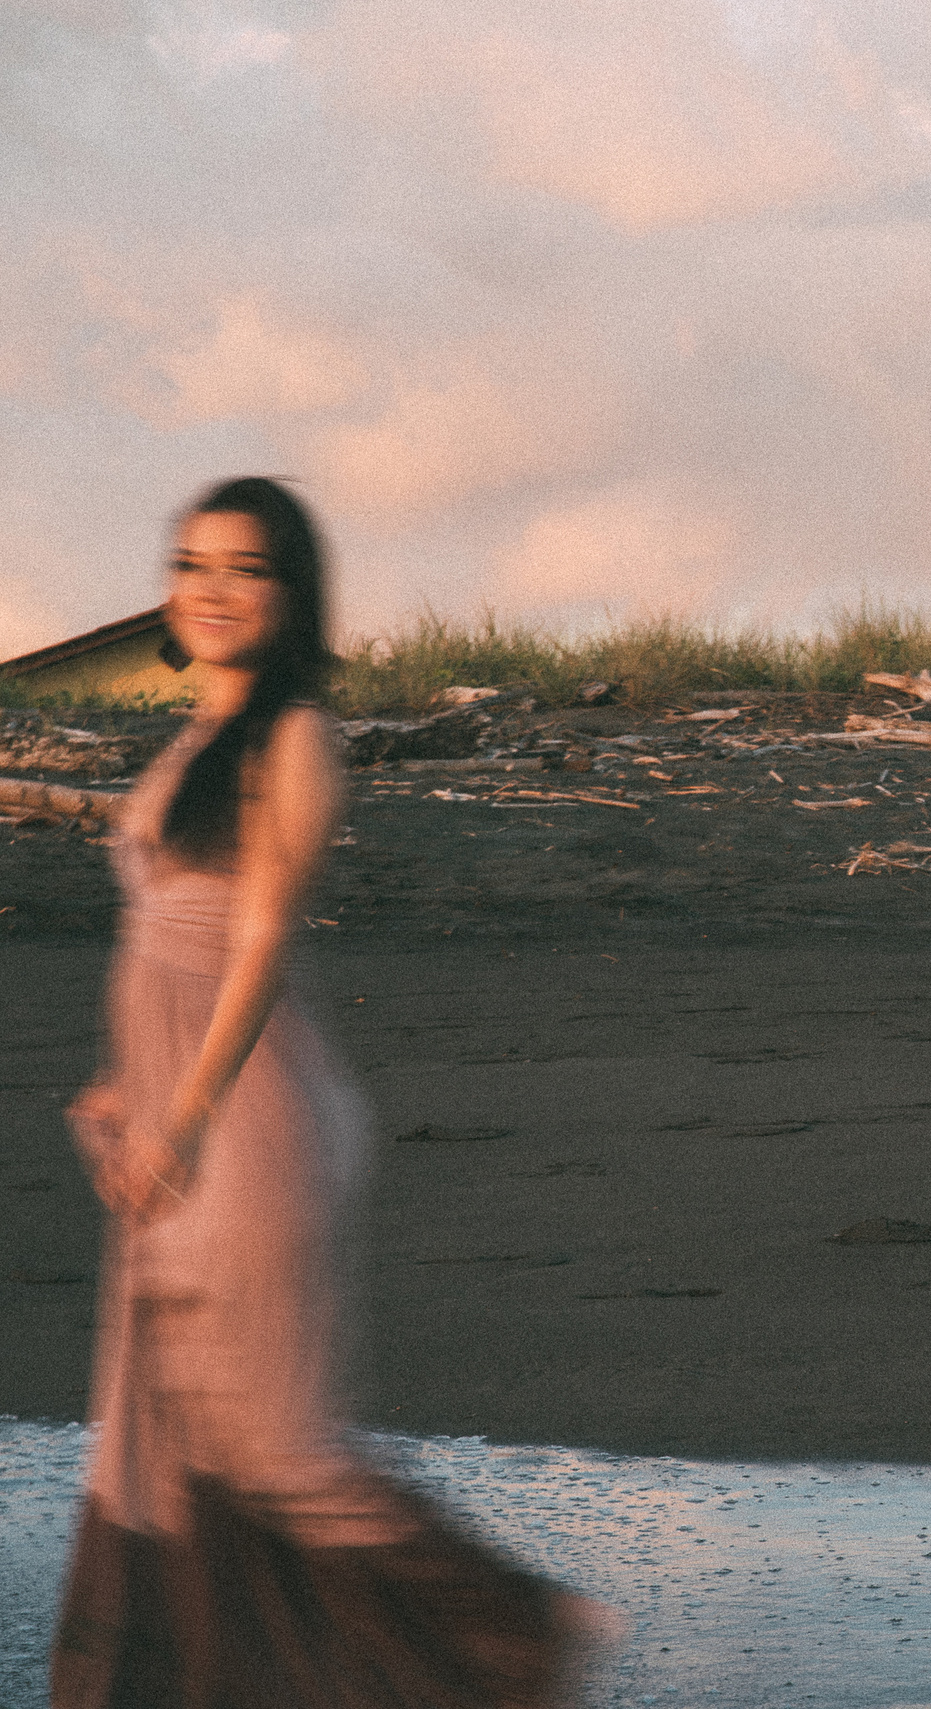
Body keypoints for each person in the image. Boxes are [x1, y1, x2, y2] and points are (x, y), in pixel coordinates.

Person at [51, 478, 601, 1706]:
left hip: (244, 1121)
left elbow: (254, 945)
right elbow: (164, 930)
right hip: (174, 1105)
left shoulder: (296, 734)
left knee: (268, 1441)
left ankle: (522, 1633)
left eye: (244, 567)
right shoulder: (207, 731)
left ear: (292, 593)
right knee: (174, 1433)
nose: (210, 587)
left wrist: (180, 1121)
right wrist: (114, 1083)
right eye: (191, 561)